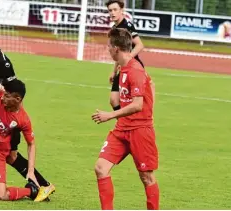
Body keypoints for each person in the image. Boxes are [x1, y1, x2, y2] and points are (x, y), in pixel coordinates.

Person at [0, 14, 55, 197]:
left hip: (8, 116)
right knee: (9, 156)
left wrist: (11, 115)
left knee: (11, 156)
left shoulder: (3, 63)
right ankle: (41, 185)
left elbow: (15, 93)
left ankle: (43, 185)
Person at [92, 28, 160, 210]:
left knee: (147, 177)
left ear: (116, 48)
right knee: (100, 168)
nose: (107, 49)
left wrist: (110, 115)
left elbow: (138, 104)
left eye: (108, 46)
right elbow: (151, 84)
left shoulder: (135, 70)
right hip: (122, 129)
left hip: (140, 131)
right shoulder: (124, 68)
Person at [106, 0, 145, 111]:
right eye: (110, 10)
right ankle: (123, 125)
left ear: (122, 11)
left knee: (132, 102)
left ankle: (127, 125)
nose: (112, 13)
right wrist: (114, 71)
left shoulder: (127, 26)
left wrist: (128, 58)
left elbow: (139, 45)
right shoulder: (114, 28)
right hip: (123, 67)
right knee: (114, 100)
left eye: (115, 10)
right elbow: (117, 53)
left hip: (133, 67)